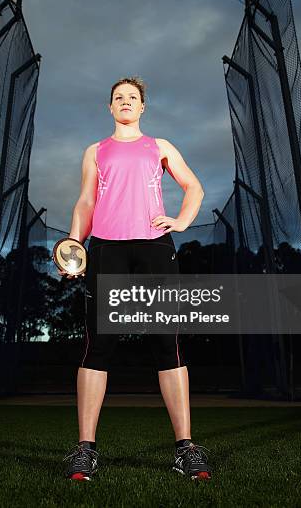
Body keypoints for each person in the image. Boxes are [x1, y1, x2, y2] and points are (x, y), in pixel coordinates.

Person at [60, 76, 211, 481]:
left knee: (168, 344)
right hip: (107, 249)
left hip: (154, 248)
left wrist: (180, 221)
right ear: (109, 107)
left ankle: (185, 449)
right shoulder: (95, 151)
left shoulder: (159, 147)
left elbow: (193, 187)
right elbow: (87, 200)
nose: (125, 102)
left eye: (132, 97)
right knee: (98, 345)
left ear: (142, 107)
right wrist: (75, 245)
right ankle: (85, 451)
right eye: (118, 98)